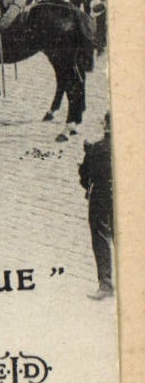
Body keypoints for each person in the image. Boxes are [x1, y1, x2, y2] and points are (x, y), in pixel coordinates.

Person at [79, 112, 113, 300]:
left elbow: (84, 177)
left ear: (106, 125)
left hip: (101, 197)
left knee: (100, 237)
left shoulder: (96, 149)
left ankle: (106, 284)